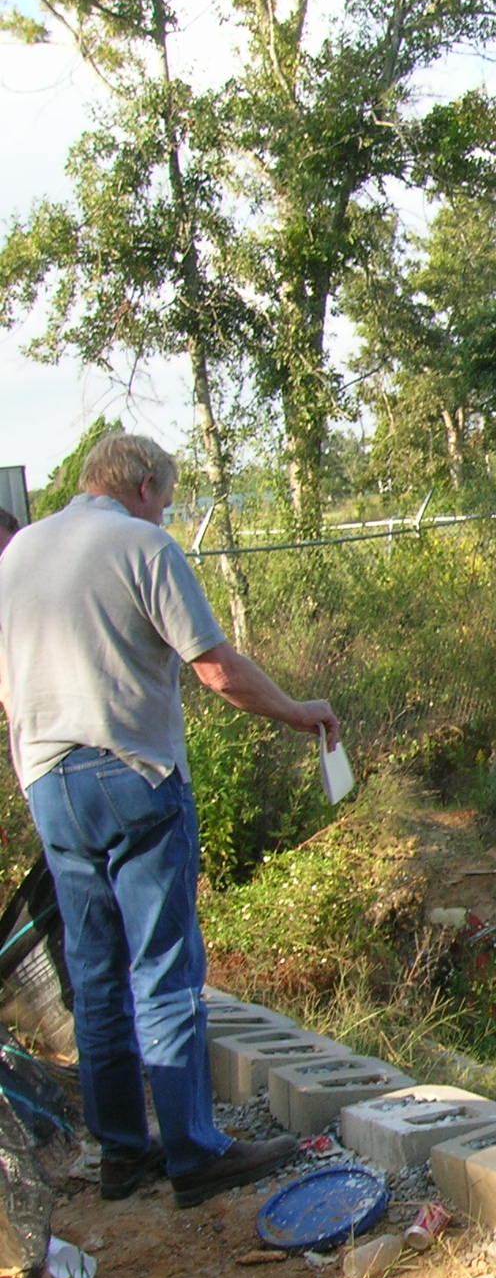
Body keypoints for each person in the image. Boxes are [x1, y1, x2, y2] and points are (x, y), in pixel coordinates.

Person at [0, 434, 340, 1207]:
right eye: (168, 499)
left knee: (94, 973)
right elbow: (215, 668)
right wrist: (298, 711)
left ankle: (121, 1154)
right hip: (133, 775)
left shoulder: (20, 554)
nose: (166, 513)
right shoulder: (142, 546)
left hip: (49, 782)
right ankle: (194, 1153)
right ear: (145, 484)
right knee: (164, 969)